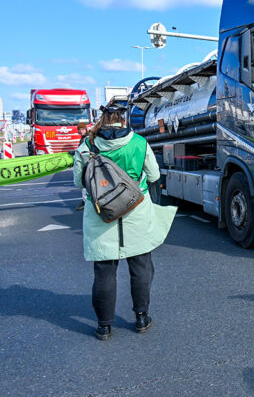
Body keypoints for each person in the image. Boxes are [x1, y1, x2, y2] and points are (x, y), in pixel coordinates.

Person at [72, 106, 176, 341]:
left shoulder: (87, 146)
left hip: (101, 214)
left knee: (104, 271)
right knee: (140, 267)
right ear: (122, 121)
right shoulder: (139, 143)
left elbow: (79, 181)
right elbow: (153, 175)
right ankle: (141, 318)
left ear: (103, 121)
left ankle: (104, 326)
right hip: (135, 212)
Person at [74, 122, 90, 212]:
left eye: (83, 129)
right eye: (80, 130)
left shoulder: (87, 138)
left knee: (84, 182)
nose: (81, 131)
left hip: (86, 162)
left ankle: (85, 202)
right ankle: (85, 201)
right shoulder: (83, 138)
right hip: (86, 162)